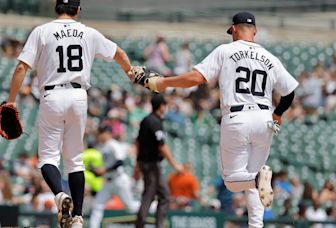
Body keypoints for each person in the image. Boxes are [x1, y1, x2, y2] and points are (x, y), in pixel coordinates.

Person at [134, 12, 299, 227]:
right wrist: (277, 114)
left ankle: (258, 179)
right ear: (255, 32)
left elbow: (196, 78)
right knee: (255, 183)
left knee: (233, 182)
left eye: (232, 32)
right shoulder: (271, 58)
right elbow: (289, 93)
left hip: (237, 117)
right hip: (264, 120)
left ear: (234, 29)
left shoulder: (226, 50)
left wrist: (163, 82)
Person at [5, 0, 134, 227]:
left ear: (56, 8)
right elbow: (119, 53)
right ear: (78, 10)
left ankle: (60, 195)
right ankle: (78, 216)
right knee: (75, 162)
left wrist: (12, 101)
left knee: (47, 159)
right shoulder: (88, 33)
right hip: (78, 97)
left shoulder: (42, 31)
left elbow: (20, 67)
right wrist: (131, 73)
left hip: (51, 96)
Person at [134, 94, 183, 228]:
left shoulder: (145, 120)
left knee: (163, 196)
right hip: (151, 165)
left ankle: (155, 225)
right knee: (149, 196)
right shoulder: (155, 121)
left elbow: (137, 143)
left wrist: (136, 166)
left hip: (146, 164)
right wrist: (175, 165)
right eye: (165, 105)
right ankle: (140, 225)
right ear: (161, 106)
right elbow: (162, 145)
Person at [89, 126, 139, 228]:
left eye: (100, 134)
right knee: (97, 206)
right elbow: (108, 166)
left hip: (119, 180)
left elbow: (120, 162)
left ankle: (153, 206)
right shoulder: (103, 146)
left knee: (131, 207)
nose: (98, 136)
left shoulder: (113, 144)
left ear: (106, 133)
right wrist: (97, 171)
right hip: (108, 182)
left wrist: (104, 170)